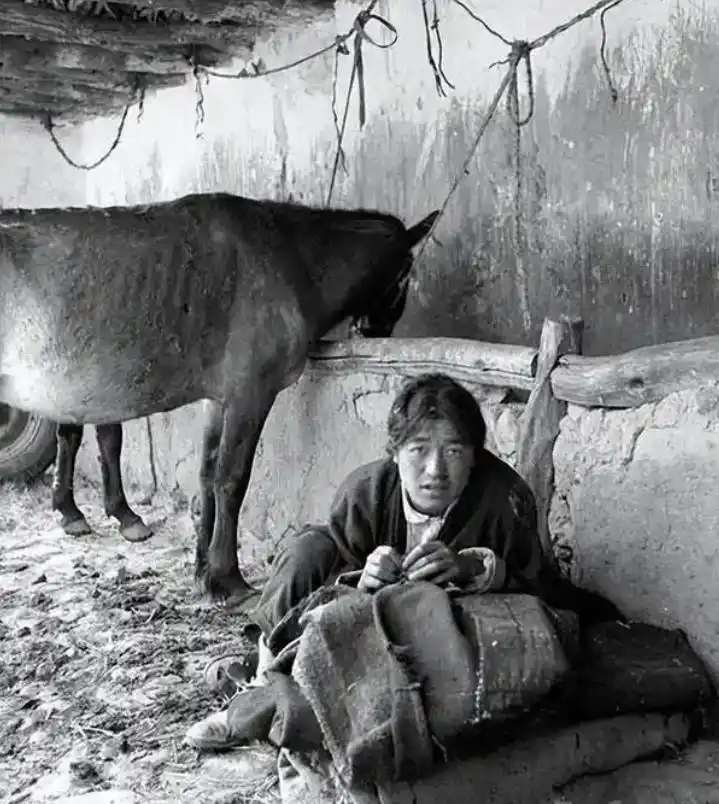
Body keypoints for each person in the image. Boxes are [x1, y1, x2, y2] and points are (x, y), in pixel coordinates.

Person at [200, 372, 619, 701]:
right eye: (419, 450)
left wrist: (474, 569)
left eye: (453, 451)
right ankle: (264, 666)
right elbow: (326, 588)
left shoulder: (505, 499)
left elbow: (539, 589)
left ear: (475, 457)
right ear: (395, 452)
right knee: (308, 549)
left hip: (446, 638)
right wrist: (359, 582)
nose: (435, 470)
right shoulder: (364, 493)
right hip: (364, 629)